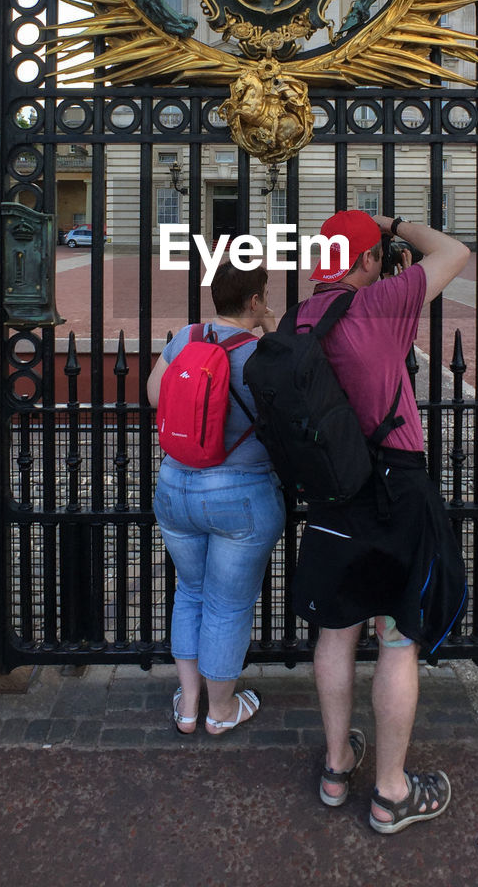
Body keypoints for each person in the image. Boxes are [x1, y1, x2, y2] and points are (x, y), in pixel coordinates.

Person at [291, 209, 470, 834]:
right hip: (395, 485)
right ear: (367, 260)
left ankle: (338, 767)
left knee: (336, 633)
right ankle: (391, 793)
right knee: (397, 640)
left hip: (333, 495)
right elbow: (454, 251)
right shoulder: (382, 302)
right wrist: (394, 225)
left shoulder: (300, 318)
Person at [147, 261, 284, 736]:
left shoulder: (188, 337)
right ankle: (220, 709)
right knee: (227, 605)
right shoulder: (264, 351)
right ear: (254, 300)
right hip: (239, 494)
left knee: (190, 592)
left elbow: (153, 394)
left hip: (175, 485)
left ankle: (188, 704)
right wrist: (272, 327)